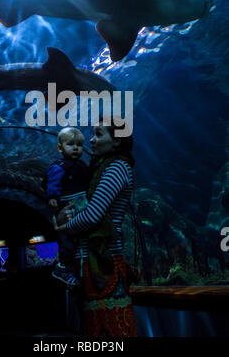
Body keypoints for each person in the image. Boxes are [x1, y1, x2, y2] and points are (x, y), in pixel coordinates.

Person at [56, 118, 137, 337]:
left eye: (99, 134)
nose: (91, 140)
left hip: (105, 260)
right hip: (90, 261)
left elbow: (92, 216)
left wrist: (62, 228)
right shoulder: (100, 168)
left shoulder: (117, 168)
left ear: (117, 141)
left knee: (114, 329)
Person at [45, 127, 90, 287]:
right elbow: (53, 182)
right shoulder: (59, 166)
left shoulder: (82, 165)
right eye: (70, 144)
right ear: (60, 147)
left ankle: (75, 268)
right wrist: (52, 197)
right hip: (67, 204)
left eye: (79, 144)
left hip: (81, 204)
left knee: (80, 238)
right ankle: (62, 266)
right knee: (67, 239)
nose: (76, 148)